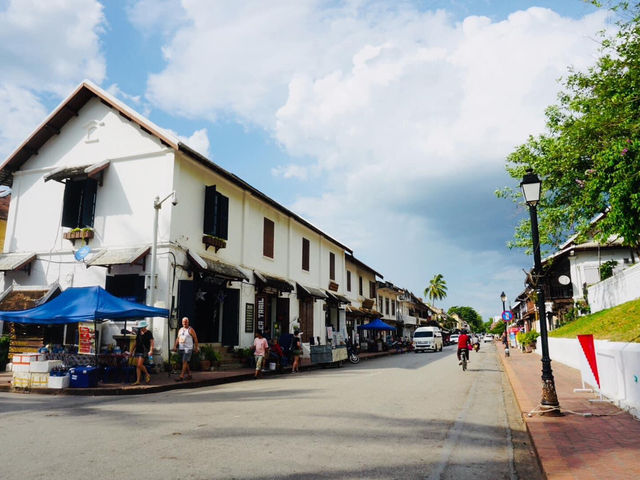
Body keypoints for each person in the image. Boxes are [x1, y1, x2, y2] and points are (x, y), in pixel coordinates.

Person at [173, 316, 199, 382]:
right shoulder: (180, 330)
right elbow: (178, 338)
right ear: (182, 323)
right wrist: (175, 346)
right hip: (181, 348)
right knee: (185, 362)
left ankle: (181, 376)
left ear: (188, 322)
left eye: (186, 322)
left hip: (188, 348)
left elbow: (195, 338)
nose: (185, 323)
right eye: (183, 322)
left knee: (184, 361)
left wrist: (196, 347)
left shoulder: (190, 329)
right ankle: (189, 374)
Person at [132, 320, 154, 385]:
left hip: (144, 351)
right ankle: (138, 381)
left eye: (142, 327)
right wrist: (131, 351)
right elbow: (135, 342)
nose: (141, 328)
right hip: (137, 350)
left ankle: (147, 374)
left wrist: (151, 350)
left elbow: (152, 342)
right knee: (138, 366)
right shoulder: (139, 332)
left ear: (145, 327)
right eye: (140, 327)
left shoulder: (149, 333)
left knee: (139, 364)